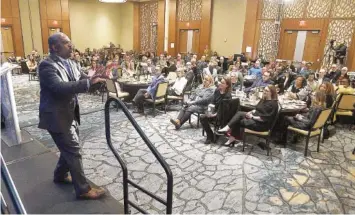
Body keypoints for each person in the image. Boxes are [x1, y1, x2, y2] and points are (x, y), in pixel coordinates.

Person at [38, 32, 106, 199]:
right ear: (55, 47)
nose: (72, 45)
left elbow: (83, 80)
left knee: (67, 148)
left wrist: (96, 79)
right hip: (55, 115)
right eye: (67, 43)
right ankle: (83, 190)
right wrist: (88, 82)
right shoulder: (46, 65)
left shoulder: (72, 63)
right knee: (73, 150)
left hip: (70, 113)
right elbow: (60, 87)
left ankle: (60, 176)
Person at [200, 76, 232, 144]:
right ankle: (210, 135)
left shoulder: (228, 95)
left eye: (223, 83)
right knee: (202, 117)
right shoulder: (217, 90)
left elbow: (225, 110)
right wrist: (210, 110)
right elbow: (212, 101)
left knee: (203, 117)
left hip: (221, 116)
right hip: (214, 111)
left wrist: (215, 114)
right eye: (220, 82)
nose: (220, 83)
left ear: (227, 85)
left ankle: (210, 136)